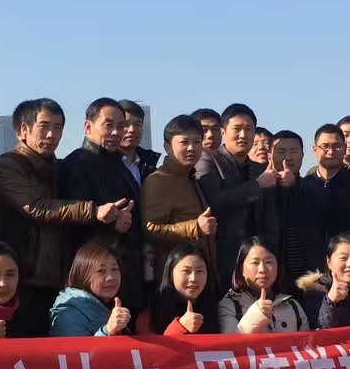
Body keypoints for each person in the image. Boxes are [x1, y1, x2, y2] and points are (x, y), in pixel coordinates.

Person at [0, 98, 117, 332]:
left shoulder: (58, 167)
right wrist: (94, 211)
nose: (51, 135)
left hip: (55, 279)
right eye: (44, 126)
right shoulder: (9, 165)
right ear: (23, 130)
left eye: (58, 127)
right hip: (23, 279)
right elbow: (38, 207)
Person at [60, 98, 143, 314]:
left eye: (120, 126)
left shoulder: (118, 163)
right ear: (88, 127)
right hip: (94, 279)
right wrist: (113, 227)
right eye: (108, 125)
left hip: (125, 272)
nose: (116, 132)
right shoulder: (77, 164)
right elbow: (69, 224)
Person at [195, 103, 277, 289]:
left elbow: (270, 217)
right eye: (237, 129)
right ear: (223, 132)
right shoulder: (207, 159)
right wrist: (257, 185)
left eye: (249, 129)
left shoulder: (260, 169)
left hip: (258, 260)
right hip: (222, 256)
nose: (243, 135)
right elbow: (215, 202)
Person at [141, 114, 217, 286]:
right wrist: (195, 228)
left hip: (199, 273)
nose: (192, 148)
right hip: (174, 278)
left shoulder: (190, 177)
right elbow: (150, 229)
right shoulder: (158, 181)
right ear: (167, 147)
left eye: (197, 142)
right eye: (184, 142)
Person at [261, 129, 325, 291]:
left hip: (308, 278)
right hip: (268, 277)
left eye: (294, 151)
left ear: (303, 155)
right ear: (269, 156)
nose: (288, 157)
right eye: (281, 151)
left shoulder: (314, 187)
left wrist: (295, 185)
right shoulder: (258, 190)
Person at [217, 238, 310, 333]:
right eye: (255, 263)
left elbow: (307, 341)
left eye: (268, 262)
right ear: (242, 269)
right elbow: (229, 341)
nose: (262, 270)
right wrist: (254, 318)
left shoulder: (292, 305)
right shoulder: (230, 305)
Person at [301, 123, 350, 244]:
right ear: (315, 150)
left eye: (336, 146)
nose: (331, 152)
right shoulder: (303, 186)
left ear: (344, 148)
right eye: (325, 146)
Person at [49, 243, 133, 337]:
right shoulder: (69, 313)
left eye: (114, 269)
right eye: (101, 271)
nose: (110, 277)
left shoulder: (111, 303)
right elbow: (74, 347)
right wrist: (108, 330)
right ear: (83, 274)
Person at [149, 243, 219, 335]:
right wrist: (180, 326)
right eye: (186, 271)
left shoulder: (216, 306)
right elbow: (150, 344)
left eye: (199, 271)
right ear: (171, 274)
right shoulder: (152, 309)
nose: (193, 278)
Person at [118, 99, 161, 187]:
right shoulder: (104, 163)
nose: (132, 130)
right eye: (125, 124)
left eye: (137, 124)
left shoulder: (149, 165)